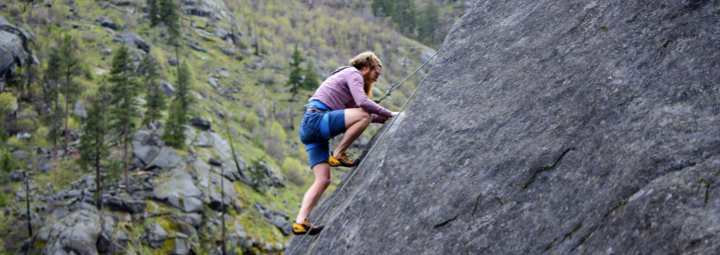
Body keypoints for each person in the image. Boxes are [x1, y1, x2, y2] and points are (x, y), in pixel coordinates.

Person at [293, 52, 399, 235]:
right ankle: (338, 154)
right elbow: (362, 104)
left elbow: (357, 112)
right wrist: (389, 113)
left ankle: (300, 221)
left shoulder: (346, 81)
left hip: (310, 129)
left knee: (324, 179)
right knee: (363, 114)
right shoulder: (353, 73)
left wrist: (386, 118)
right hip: (316, 120)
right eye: (377, 73)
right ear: (366, 67)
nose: (376, 79)